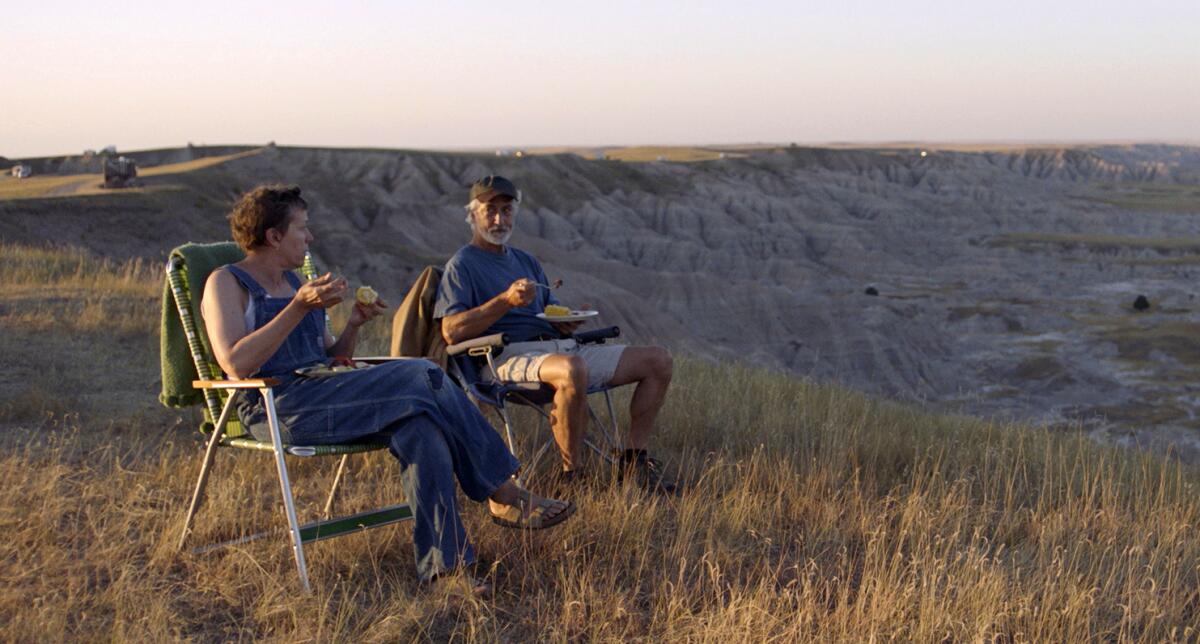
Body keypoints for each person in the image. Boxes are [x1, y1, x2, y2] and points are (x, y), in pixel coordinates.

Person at [200, 184, 573, 594]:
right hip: (278, 408)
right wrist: (299, 308)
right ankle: (501, 489)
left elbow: (332, 359)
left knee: (422, 429)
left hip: (327, 395)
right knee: (421, 372)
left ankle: (444, 572)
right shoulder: (226, 283)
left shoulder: (293, 284)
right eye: (302, 229)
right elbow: (235, 363)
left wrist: (354, 324)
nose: (310, 238)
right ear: (273, 236)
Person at [434, 175, 676, 493]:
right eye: (490, 210)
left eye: (506, 210)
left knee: (658, 360)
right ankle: (571, 477)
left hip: (558, 347)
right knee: (572, 368)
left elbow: (550, 313)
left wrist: (567, 321)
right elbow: (451, 332)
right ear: (473, 215)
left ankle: (633, 463)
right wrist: (505, 301)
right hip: (503, 357)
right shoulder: (462, 265)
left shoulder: (526, 261)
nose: (498, 219)